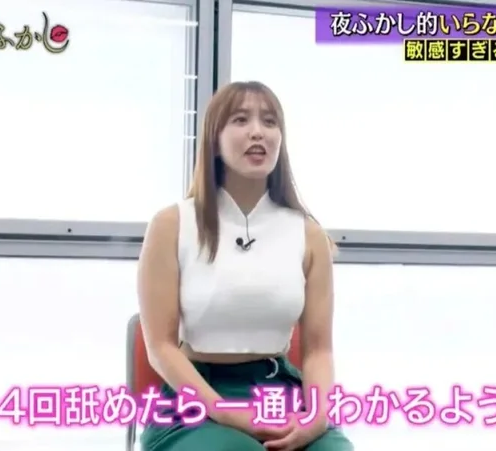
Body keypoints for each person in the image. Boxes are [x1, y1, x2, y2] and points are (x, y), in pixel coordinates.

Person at [137, 80, 353, 451]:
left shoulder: (309, 235)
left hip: (278, 393)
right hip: (196, 397)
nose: (258, 132)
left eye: (269, 121)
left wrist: (316, 417)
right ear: (214, 140)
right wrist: (225, 412)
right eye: (240, 120)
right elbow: (160, 346)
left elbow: (319, 350)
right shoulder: (171, 225)